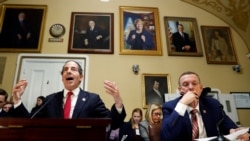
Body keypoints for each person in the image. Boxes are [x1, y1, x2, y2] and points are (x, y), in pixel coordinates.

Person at [10, 60, 126, 130]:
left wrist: (118, 101)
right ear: (62, 77)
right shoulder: (51, 99)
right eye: (65, 70)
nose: (68, 71)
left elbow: (114, 123)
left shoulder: (92, 99)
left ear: (81, 77)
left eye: (73, 69)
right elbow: (30, 121)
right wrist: (17, 99)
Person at [160, 71, 250, 141]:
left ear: (200, 88)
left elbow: (228, 125)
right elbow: (166, 136)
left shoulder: (213, 104)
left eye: (194, 84)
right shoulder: (169, 106)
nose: (191, 87)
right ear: (180, 90)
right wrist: (182, 104)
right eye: (185, 84)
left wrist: (233, 131)